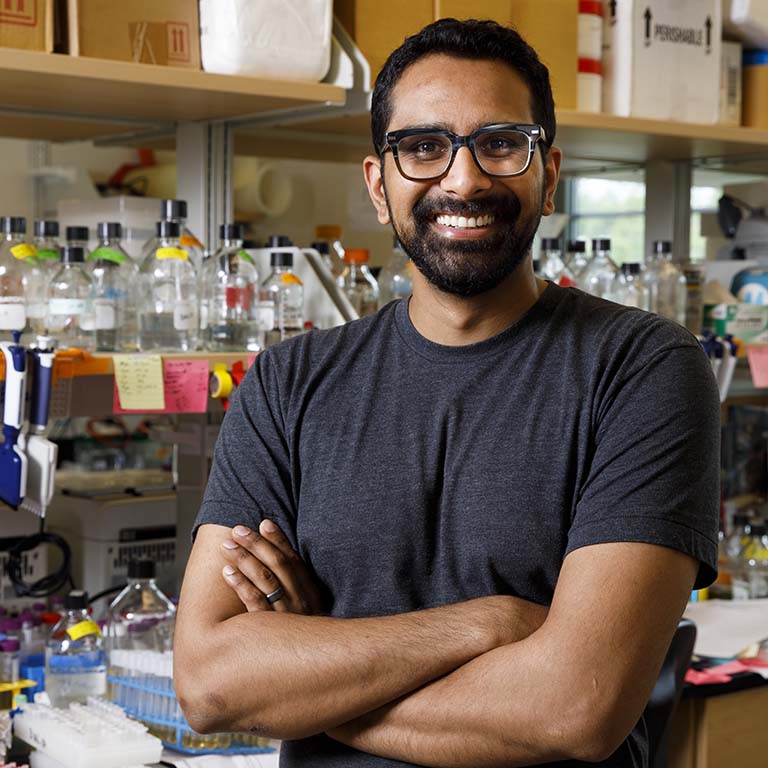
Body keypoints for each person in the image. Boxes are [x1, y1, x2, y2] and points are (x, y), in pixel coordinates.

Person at [174, 18, 719, 768]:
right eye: (423, 147)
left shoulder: (643, 367)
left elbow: (578, 706)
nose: (463, 180)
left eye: (500, 143)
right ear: (379, 183)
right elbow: (209, 684)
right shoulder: (287, 383)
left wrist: (311, 688)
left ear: (548, 175)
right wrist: (488, 624)